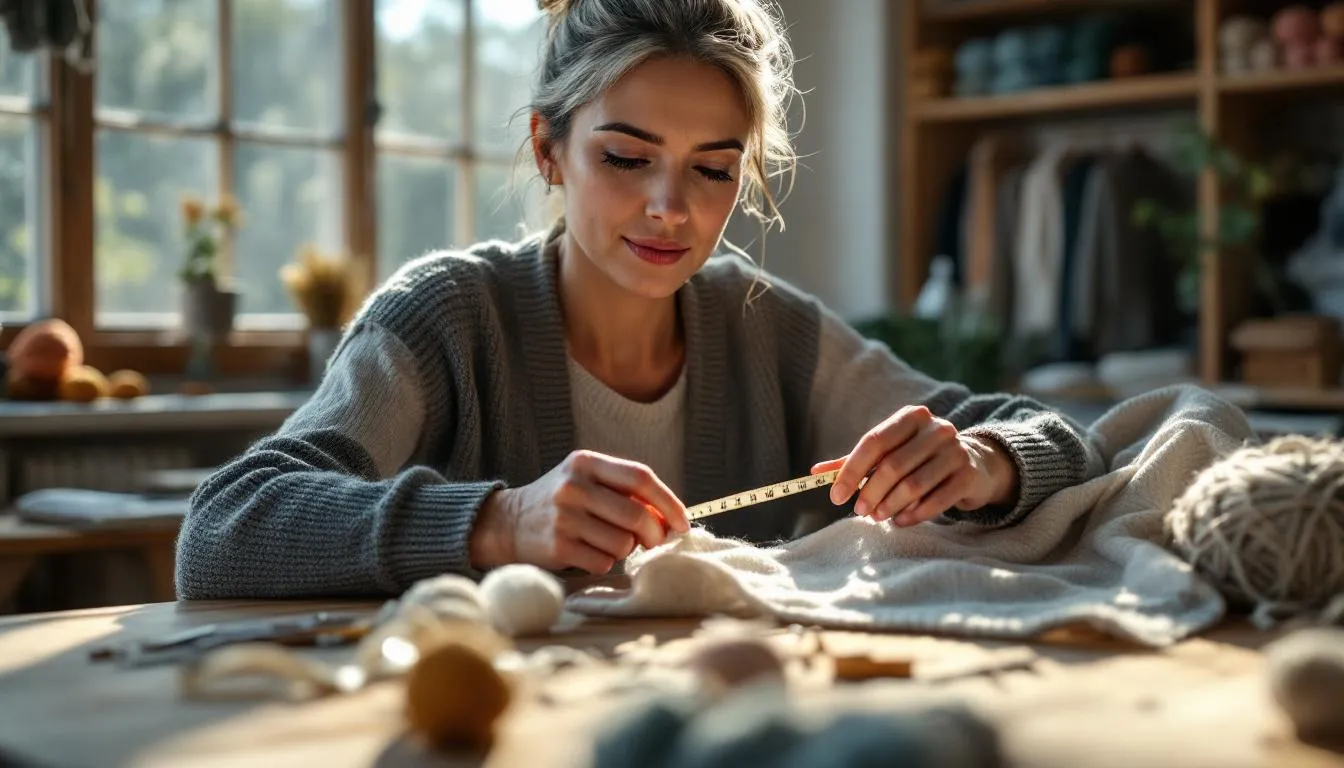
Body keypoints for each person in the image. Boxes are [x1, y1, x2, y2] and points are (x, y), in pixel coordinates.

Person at [176, 0, 1104, 600]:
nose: (672, 210)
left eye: (712, 170)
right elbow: (222, 529)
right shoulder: (446, 321)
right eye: (625, 158)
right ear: (548, 149)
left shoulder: (766, 329)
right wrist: (498, 523)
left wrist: (985, 462)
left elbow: (1060, 440)